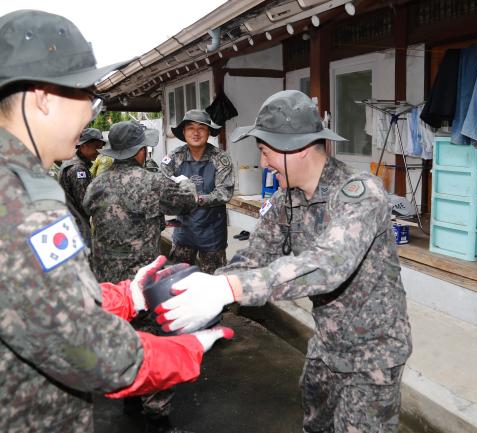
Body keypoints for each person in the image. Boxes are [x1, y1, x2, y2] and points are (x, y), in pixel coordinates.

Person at [0, 10, 231, 433]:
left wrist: (126, 296)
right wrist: (187, 350)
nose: (88, 119)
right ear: (42, 98)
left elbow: (35, 302)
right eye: (86, 98)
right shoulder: (9, 206)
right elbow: (92, 352)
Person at [156, 90, 413, 433]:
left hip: (374, 352)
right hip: (327, 341)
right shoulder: (285, 200)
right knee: (315, 424)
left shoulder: (359, 193)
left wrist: (228, 288)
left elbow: (329, 265)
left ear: (298, 149)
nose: (263, 163)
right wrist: (202, 286)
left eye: (265, 152)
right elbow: (255, 257)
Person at [84, 121, 198, 431]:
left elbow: (87, 213)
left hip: (108, 279)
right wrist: (186, 182)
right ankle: (156, 409)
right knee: (153, 338)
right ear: (139, 151)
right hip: (141, 280)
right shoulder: (151, 182)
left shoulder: (97, 184)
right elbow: (186, 201)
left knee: (122, 334)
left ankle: (129, 397)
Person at [160, 110, 234, 274]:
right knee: (179, 280)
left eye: (201, 128)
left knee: (213, 283)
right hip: (184, 231)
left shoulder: (220, 158)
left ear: (208, 132)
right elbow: (163, 185)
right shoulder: (175, 157)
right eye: (190, 127)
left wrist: (197, 199)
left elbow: (224, 193)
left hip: (212, 231)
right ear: (184, 132)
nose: (196, 132)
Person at [59, 127, 105, 246]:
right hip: (77, 229)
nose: (99, 151)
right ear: (83, 146)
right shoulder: (78, 169)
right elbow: (86, 203)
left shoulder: (70, 161)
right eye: (97, 147)